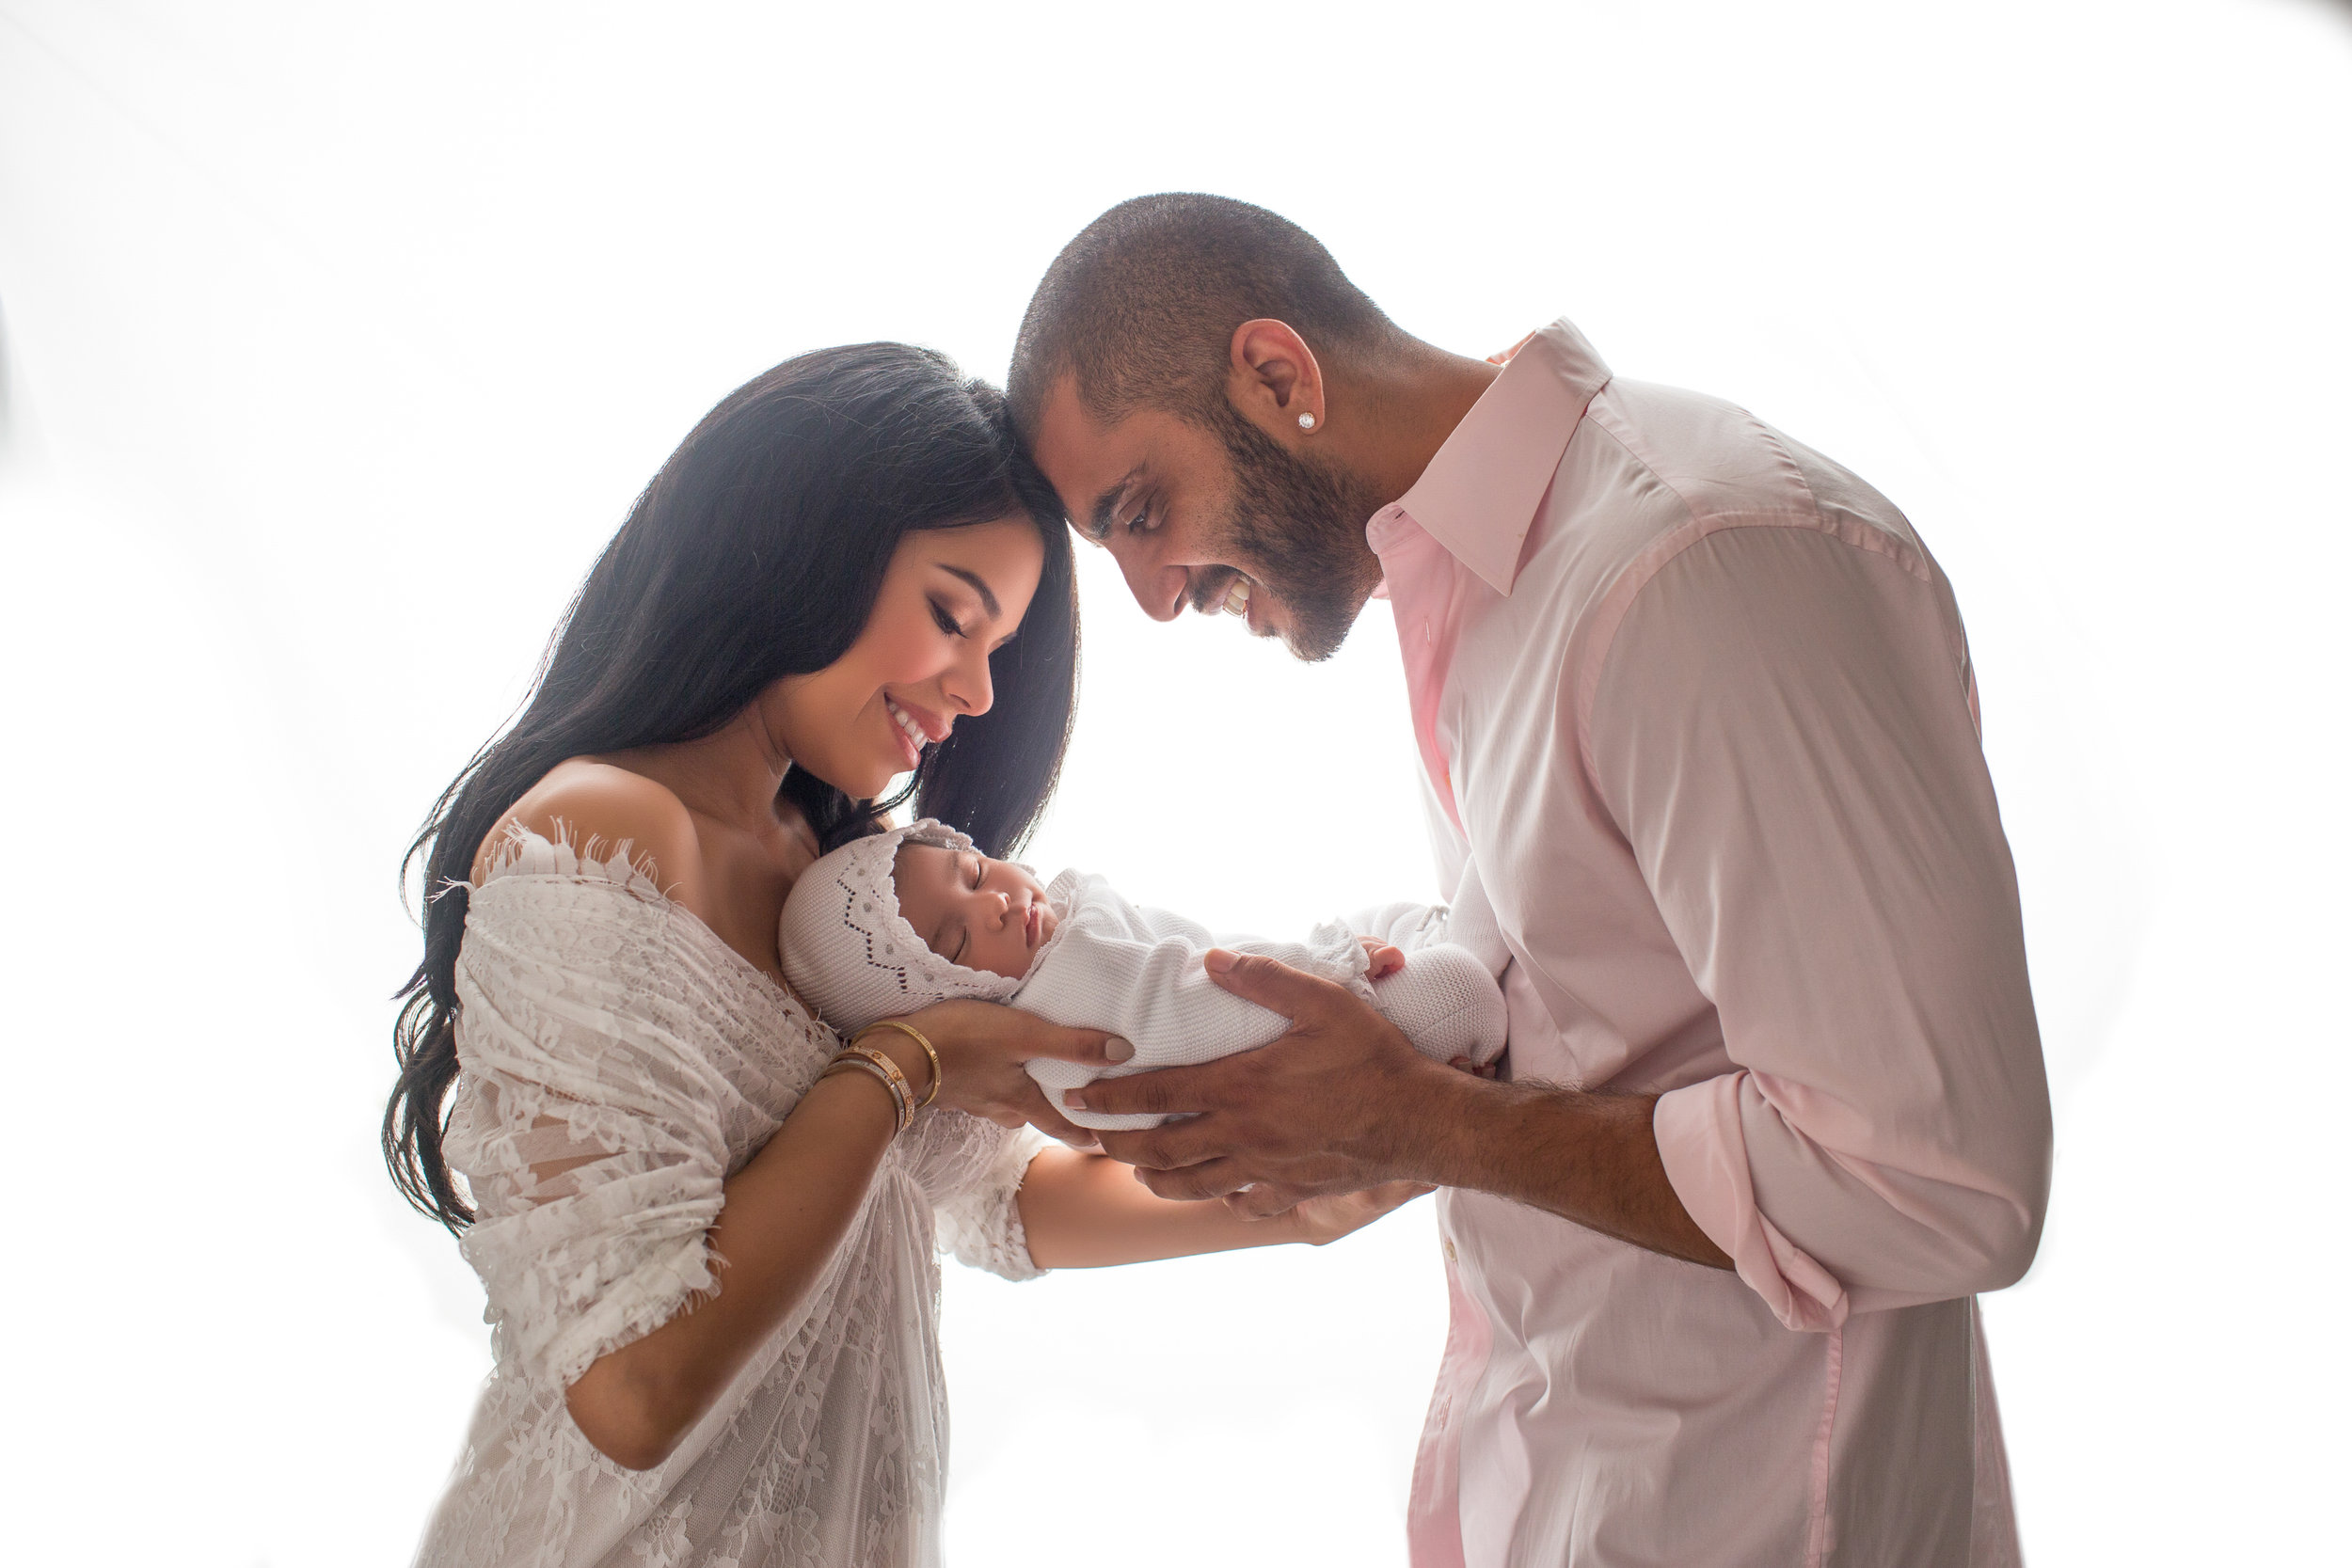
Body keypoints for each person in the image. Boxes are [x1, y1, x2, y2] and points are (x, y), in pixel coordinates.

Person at [1004, 195, 2056, 1566]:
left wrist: (1426, 1124)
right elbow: (1619, 1006)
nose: (1150, 595)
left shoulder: (1700, 568)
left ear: (1278, 375)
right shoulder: (1486, 590)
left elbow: (1943, 1179)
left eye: (1141, 510)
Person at [383, 342, 1419, 1568]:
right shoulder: (607, 831)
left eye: (999, 646)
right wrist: (912, 1058)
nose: (978, 690)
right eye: (951, 615)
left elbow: (987, 1195)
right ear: (797, 540)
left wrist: (1297, 1192)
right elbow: (634, 1384)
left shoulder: (851, 879)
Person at [775, 816, 1507, 1131]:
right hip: (1322, 1042)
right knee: (1461, 988)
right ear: (952, 1001)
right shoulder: (1067, 999)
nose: (995, 903)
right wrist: (1335, 967)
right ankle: (1500, 895)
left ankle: (1474, 922)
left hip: (1307, 1008)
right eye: (956, 940)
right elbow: (1200, 1012)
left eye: (971, 872)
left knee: (1397, 919)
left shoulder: (1059, 942)